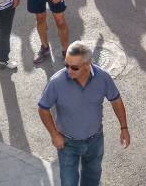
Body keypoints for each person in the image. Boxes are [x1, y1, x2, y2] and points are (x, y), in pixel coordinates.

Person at [38, 41, 130, 186]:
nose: (68, 71)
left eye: (74, 67)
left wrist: (124, 128)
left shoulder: (103, 78)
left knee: (92, 178)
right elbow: (43, 108)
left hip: (95, 140)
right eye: (66, 65)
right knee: (69, 183)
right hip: (67, 144)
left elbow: (116, 100)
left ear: (88, 65)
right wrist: (54, 135)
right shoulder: (56, 82)